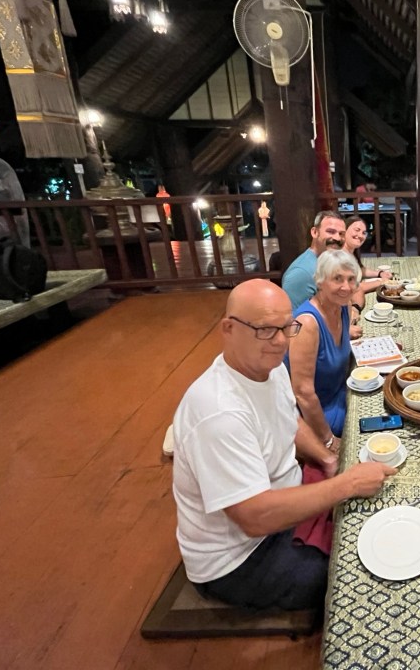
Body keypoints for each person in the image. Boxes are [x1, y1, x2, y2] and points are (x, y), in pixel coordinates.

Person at [171, 280, 395, 611]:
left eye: (286, 327)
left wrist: (328, 458)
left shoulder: (268, 367)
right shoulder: (218, 412)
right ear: (229, 329)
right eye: (265, 330)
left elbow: (289, 421)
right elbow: (254, 517)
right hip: (241, 557)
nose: (279, 341)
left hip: (286, 497)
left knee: (371, 519)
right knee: (358, 573)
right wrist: (346, 484)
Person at [286, 249, 360, 442]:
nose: (346, 287)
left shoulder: (344, 306)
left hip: (340, 392)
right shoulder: (307, 324)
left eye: (351, 279)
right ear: (319, 282)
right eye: (337, 279)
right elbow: (302, 394)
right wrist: (328, 440)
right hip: (314, 413)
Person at [282, 211, 346, 309]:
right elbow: (297, 317)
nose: (337, 238)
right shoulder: (301, 273)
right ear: (315, 232)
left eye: (341, 234)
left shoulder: (331, 262)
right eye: (330, 231)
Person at [342, 215, 391, 329]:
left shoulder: (351, 251)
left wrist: (379, 273)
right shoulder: (340, 257)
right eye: (357, 230)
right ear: (344, 230)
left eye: (364, 233)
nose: (360, 235)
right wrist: (381, 282)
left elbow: (360, 270)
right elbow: (356, 287)